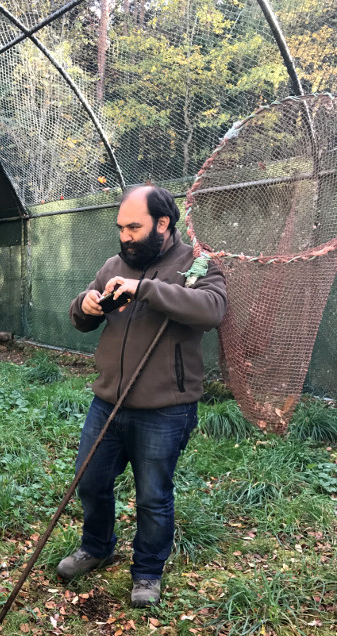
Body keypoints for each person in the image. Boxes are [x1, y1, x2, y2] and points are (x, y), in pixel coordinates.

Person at [56, 185, 227, 607]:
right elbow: (80, 319)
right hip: (108, 404)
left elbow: (212, 309)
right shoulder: (115, 263)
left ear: (163, 223)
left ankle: (148, 571)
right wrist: (86, 304)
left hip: (165, 410)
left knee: (153, 496)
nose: (126, 236)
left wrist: (145, 289)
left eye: (134, 226)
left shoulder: (196, 264)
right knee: (91, 482)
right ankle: (97, 547)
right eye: (121, 228)